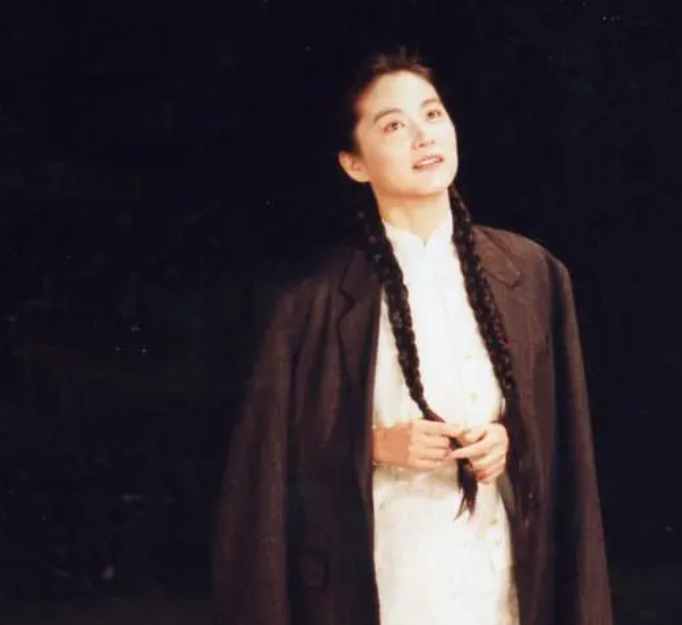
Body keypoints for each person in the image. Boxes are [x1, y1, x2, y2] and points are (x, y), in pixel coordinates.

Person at [213, 48, 613, 625]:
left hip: (499, 578)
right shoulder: (313, 301)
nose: (424, 136)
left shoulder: (532, 274)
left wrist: (509, 440)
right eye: (394, 126)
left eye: (432, 114)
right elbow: (264, 477)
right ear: (355, 164)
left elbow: (566, 451)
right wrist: (375, 446)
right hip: (384, 581)